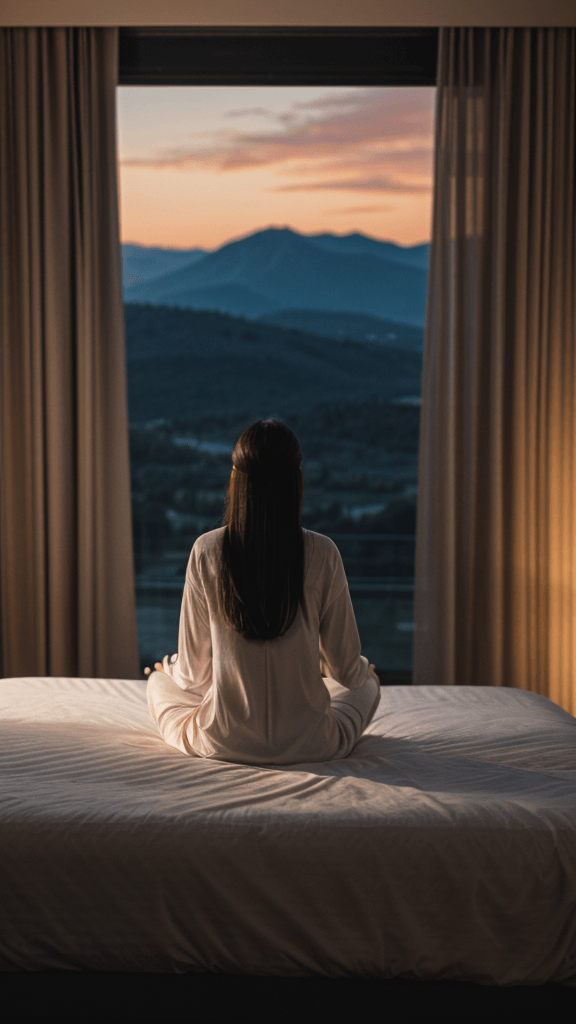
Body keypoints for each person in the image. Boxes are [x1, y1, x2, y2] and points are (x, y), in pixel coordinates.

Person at [145, 419, 381, 765]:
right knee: (367, 684)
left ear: (236, 481)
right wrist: (364, 672)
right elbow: (344, 672)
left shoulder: (206, 550)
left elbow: (193, 674)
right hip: (313, 744)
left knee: (157, 682)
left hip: (223, 742)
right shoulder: (323, 552)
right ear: (296, 482)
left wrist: (169, 670)